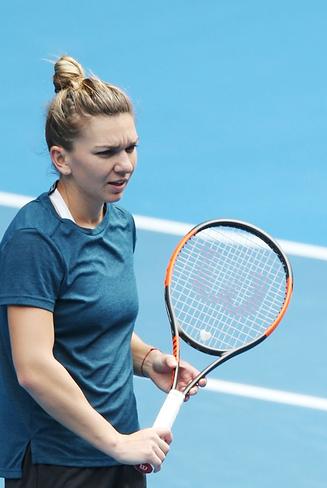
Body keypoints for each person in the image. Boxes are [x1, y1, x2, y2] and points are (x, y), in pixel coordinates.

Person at [0, 55, 206, 487]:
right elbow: (33, 366)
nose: (125, 164)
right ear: (61, 158)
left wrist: (148, 360)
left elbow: (91, 323)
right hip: (56, 464)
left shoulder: (118, 224)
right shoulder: (34, 241)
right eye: (106, 152)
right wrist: (114, 442)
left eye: (130, 147)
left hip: (121, 453)